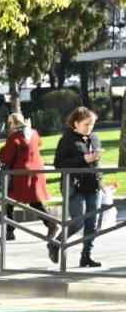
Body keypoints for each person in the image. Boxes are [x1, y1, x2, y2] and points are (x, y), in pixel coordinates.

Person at [53, 105, 104, 268]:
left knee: (92, 223)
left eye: (92, 124)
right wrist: (84, 159)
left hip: (93, 185)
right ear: (76, 123)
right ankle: (55, 244)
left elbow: (96, 162)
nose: (90, 128)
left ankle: (86, 256)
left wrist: (101, 180)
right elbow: (59, 164)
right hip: (75, 187)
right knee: (78, 222)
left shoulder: (94, 138)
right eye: (86, 124)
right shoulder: (67, 139)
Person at [0, 113, 53, 246]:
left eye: (10, 123)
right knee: (34, 202)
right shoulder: (34, 133)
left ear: (14, 123)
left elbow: (6, 156)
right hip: (35, 173)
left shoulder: (15, 137)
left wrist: (0, 153)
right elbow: (39, 144)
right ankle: (50, 224)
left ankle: (10, 231)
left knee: (8, 201)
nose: (9, 125)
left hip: (20, 175)